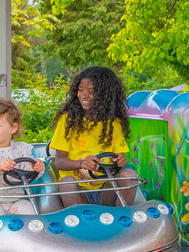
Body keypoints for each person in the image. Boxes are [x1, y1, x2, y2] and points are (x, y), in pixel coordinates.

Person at [49, 66, 139, 208]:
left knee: (129, 174)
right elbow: (59, 161)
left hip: (105, 189)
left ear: (106, 95)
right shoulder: (68, 120)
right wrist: (81, 163)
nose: (83, 95)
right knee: (67, 183)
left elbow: (120, 158)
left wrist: (121, 160)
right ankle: (79, 223)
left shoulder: (114, 124)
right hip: (78, 191)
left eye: (91, 91)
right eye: (80, 90)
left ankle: (121, 219)